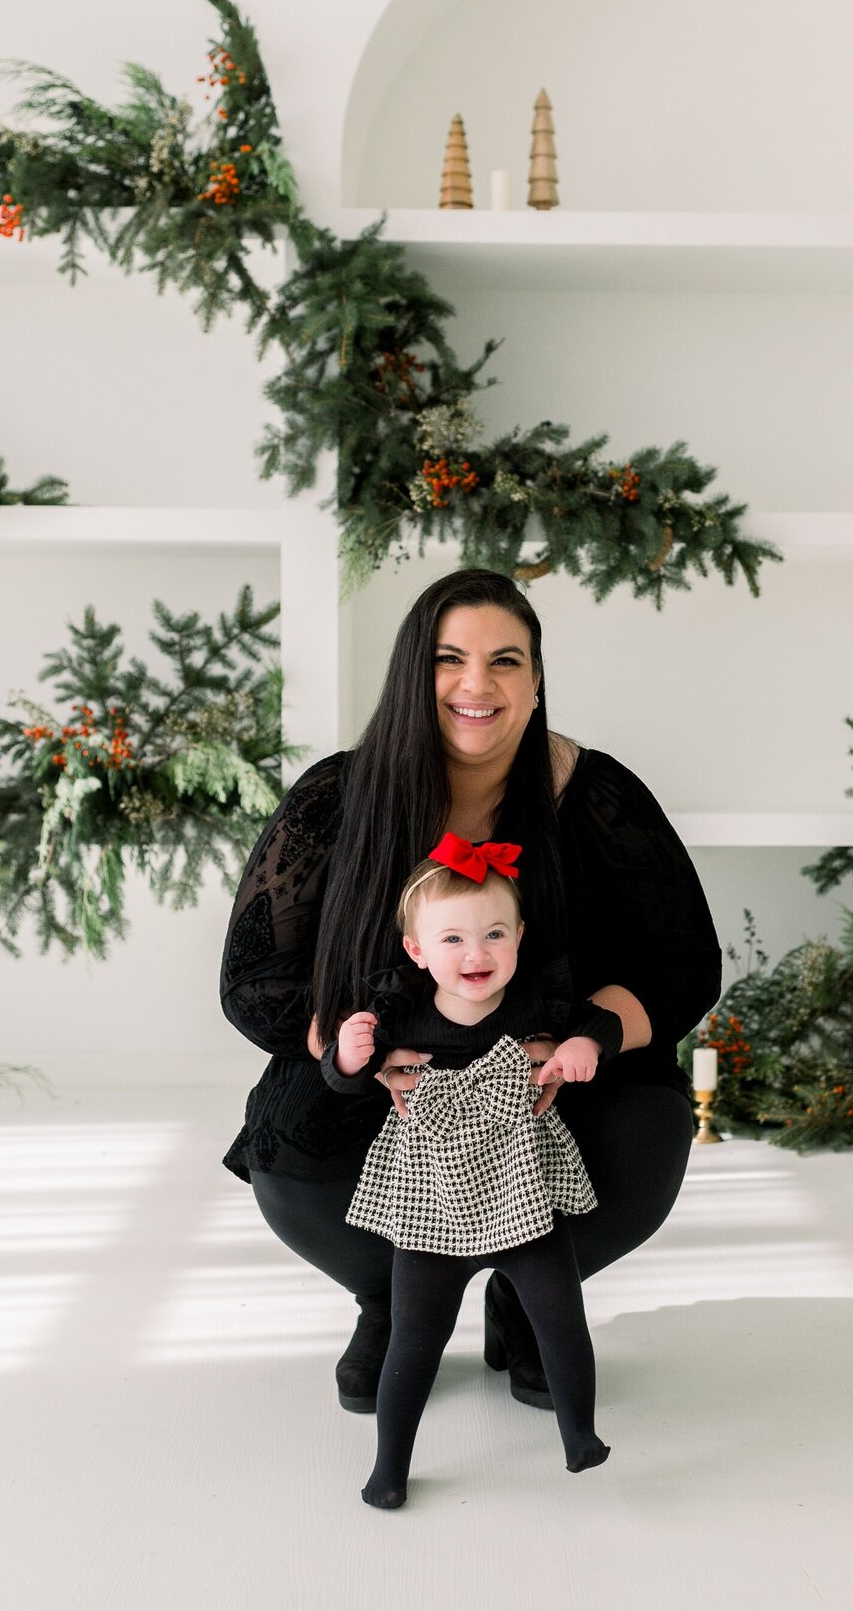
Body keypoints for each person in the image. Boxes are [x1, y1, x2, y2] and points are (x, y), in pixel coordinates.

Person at [220, 566, 722, 1420]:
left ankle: (533, 1296)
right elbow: (254, 978)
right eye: (450, 659)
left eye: (506, 661)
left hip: (547, 1086)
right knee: (296, 1151)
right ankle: (392, 1302)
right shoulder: (337, 797)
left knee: (646, 1135)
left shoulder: (594, 794)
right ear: (416, 674)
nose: (476, 685)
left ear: (535, 682)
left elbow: (683, 965)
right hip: (394, 1080)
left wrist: (589, 1038)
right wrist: (363, 1057)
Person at [325, 834, 616, 1507]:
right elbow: (342, 1081)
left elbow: (596, 1021)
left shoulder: (537, 1001)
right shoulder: (400, 1008)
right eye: (452, 940)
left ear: (519, 936)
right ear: (417, 951)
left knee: (561, 1316)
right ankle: (389, 1466)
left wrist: (581, 1042)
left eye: (493, 934)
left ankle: (580, 1435)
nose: (476, 954)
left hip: (522, 1188)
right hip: (433, 1198)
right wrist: (347, 1055)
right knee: (415, 1337)